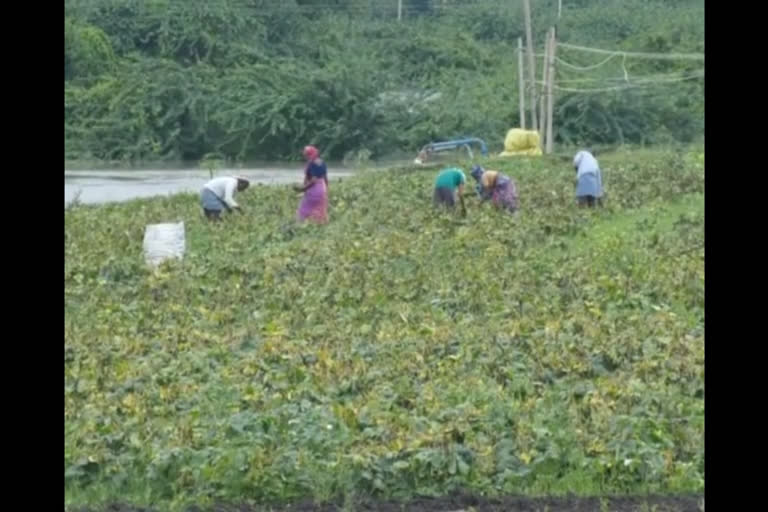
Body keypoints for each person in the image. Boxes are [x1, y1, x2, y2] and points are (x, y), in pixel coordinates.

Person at [295, 145, 329, 224]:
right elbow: (325, 178)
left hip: (313, 190)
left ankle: (299, 225)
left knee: (303, 210)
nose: (305, 157)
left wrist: (303, 189)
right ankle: (319, 226)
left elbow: (314, 180)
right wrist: (326, 190)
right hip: (322, 189)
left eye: (306, 155)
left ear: (308, 155)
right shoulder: (322, 162)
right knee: (320, 210)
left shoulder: (312, 163)